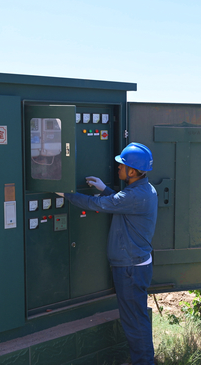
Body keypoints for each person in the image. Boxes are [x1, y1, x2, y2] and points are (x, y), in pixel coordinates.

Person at [57, 142, 157, 365]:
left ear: (132, 172)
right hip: (136, 265)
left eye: (122, 165)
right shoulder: (142, 190)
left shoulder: (135, 196)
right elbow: (121, 203)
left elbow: (99, 205)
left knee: (135, 323)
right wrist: (106, 189)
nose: (118, 168)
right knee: (136, 320)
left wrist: (67, 193)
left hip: (130, 268)